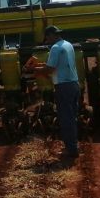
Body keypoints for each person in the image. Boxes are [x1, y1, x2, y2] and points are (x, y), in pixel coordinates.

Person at [32, 26, 80, 158]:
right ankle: (73, 145)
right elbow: (57, 66)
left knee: (66, 119)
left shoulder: (55, 48)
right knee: (72, 117)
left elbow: (50, 69)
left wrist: (35, 71)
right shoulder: (68, 45)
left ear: (52, 35)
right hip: (74, 84)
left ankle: (71, 150)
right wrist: (40, 67)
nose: (47, 40)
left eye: (47, 37)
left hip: (63, 87)